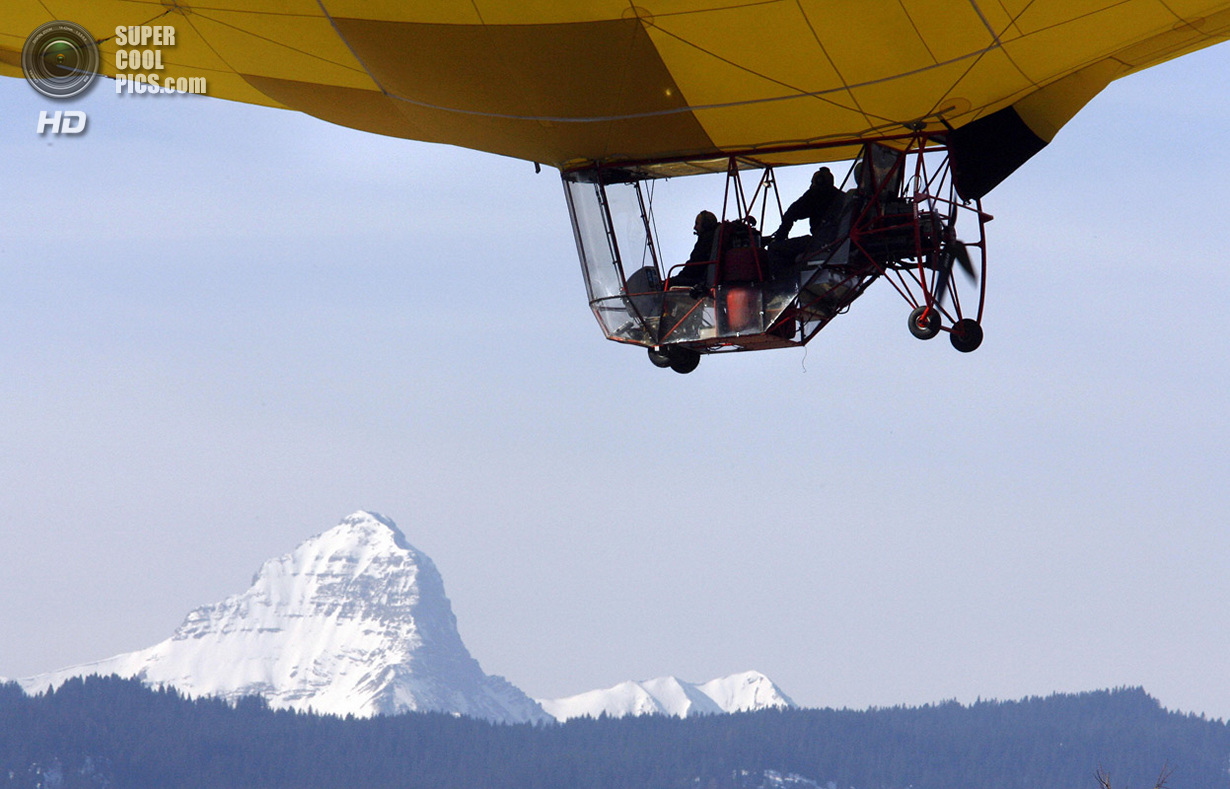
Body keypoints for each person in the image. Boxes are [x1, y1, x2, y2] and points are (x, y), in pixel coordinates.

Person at [767, 167, 843, 271]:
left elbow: (791, 213)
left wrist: (779, 237)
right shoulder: (842, 197)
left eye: (813, 182)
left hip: (819, 243)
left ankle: (779, 285)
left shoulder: (815, 195)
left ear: (818, 181)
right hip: (837, 244)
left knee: (774, 249)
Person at [670, 210, 719, 293]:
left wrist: (678, 278)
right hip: (704, 278)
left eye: (697, 224)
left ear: (705, 225)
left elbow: (693, 267)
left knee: (669, 284)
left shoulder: (705, 240)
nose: (694, 227)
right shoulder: (714, 237)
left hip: (700, 280)